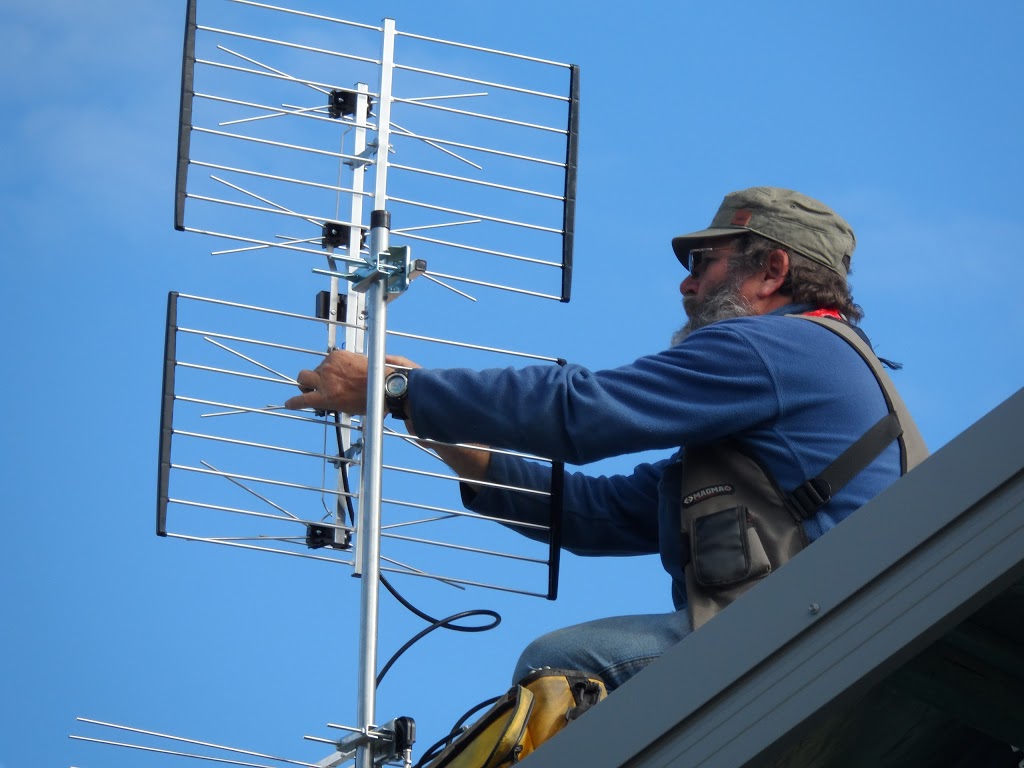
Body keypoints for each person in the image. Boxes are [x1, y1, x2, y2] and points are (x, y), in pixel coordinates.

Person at [285, 186, 925, 694]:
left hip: (812, 624)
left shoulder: (780, 348)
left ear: (772, 269)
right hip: (837, 623)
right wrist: (437, 425)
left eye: (704, 262)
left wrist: (401, 393)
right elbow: (599, 514)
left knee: (562, 666)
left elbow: (580, 411)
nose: (688, 284)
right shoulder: (795, 380)